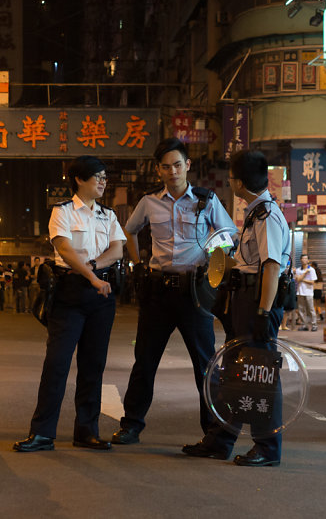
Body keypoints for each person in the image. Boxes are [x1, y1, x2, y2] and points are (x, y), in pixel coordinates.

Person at [112, 137, 236, 448]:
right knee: (145, 362)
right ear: (158, 170)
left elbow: (227, 234)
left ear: (188, 166)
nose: (173, 171)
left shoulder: (206, 200)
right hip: (157, 291)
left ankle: (213, 433)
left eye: (177, 165)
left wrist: (213, 263)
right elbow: (128, 231)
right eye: (166, 167)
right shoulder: (148, 202)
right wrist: (138, 264)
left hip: (194, 293)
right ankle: (131, 425)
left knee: (206, 365)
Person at [182, 149, 290, 467]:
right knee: (233, 373)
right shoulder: (255, 213)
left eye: (231, 178)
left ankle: (267, 448)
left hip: (258, 302)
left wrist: (263, 313)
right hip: (244, 300)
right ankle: (220, 440)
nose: (230, 183)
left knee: (260, 376)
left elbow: (271, 267)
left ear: (239, 182)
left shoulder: (267, 215)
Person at [14, 155, 125, 452]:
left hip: (101, 295)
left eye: (104, 177)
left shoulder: (108, 215)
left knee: (93, 365)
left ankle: (86, 432)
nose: (103, 182)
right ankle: (42, 433)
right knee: (57, 363)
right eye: (97, 177)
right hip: (69, 293)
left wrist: (93, 268)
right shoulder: (61, 212)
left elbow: (117, 251)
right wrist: (91, 276)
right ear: (79, 179)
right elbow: (64, 249)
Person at [294, 254, 317, 332]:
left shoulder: (311, 270)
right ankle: (304, 325)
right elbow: (297, 280)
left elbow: (312, 282)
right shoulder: (298, 270)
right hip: (300, 292)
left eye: (305, 258)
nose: (304, 260)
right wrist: (304, 274)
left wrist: (301, 279)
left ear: (308, 260)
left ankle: (314, 325)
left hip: (309, 292)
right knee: (301, 310)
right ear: (300, 260)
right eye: (302, 258)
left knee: (310, 309)